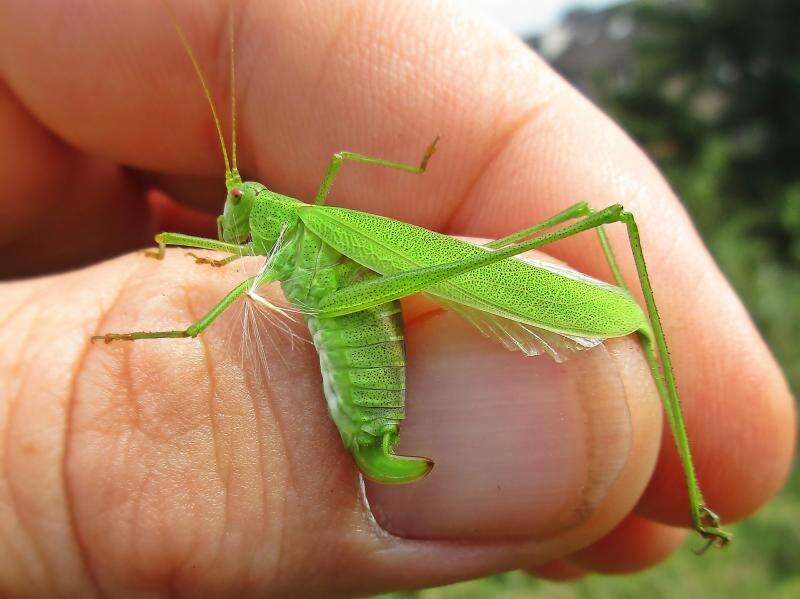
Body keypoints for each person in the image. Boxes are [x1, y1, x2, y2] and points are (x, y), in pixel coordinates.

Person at [0, 1, 794, 595]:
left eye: (240, 197)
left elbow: (235, 285)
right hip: (354, 301)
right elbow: (266, 234)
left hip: (368, 318)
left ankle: (695, 494)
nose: (232, 210)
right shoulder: (281, 222)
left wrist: (161, 336)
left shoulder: (298, 224)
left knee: (605, 219)